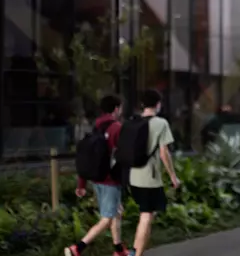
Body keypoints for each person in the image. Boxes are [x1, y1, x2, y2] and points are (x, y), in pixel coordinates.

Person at [66, 95, 129, 256]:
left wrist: (81, 185)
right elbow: (124, 155)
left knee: (115, 212)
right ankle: (78, 248)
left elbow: (88, 156)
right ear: (116, 109)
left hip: (96, 178)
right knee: (107, 218)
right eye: (120, 107)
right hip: (111, 180)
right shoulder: (117, 128)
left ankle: (119, 249)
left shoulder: (96, 127)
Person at [128, 90, 180, 256]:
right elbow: (164, 153)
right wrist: (173, 176)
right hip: (149, 178)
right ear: (158, 104)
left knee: (146, 215)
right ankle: (136, 254)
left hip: (133, 176)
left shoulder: (133, 121)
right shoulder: (160, 123)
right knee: (146, 216)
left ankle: (135, 251)